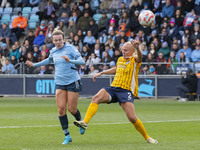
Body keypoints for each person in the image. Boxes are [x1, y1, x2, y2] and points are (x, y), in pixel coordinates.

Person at [74, 40, 158, 144]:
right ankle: (85, 122)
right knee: (96, 98)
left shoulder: (134, 61)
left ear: (132, 51)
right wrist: (102, 72)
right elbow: (116, 69)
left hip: (125, 91)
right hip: (113, 88)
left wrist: (137, 48)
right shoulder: (120, 59)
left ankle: (147, 138)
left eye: (126, 50)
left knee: (132, 118)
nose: (123, 52)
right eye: (122, 50)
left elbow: (140, 57)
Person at [26, 27, 86, 144]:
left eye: (60, 40)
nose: (58, 42)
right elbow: (48, 60)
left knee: (71, 109)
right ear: (53, 41)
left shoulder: (71, 49)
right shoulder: (53, 51)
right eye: (55, 40)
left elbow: (82, 62)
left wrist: (70, 61)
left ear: (64, 39)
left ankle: (81, 122)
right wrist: (34, 65)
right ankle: (67, 136)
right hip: (59, 82)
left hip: (73, 81)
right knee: (61, 110)